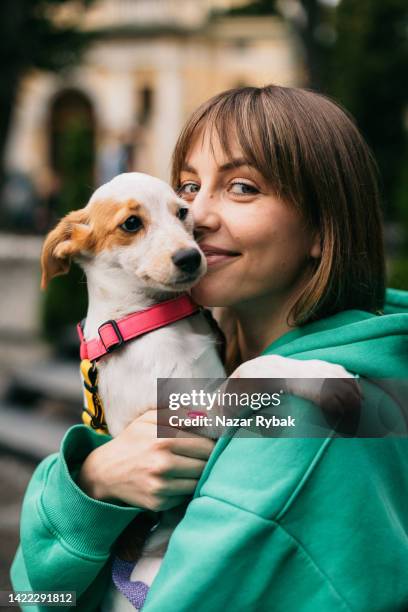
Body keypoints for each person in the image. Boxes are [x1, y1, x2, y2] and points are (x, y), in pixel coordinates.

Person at [11, 85, 408, 611]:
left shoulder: (309, 407)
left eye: (242, 187)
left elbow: (362, 412)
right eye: (189, 187)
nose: (195, 216)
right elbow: (33, 592)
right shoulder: (230, 358)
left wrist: (82, 486)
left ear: (321, 228)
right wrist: (95, 477)